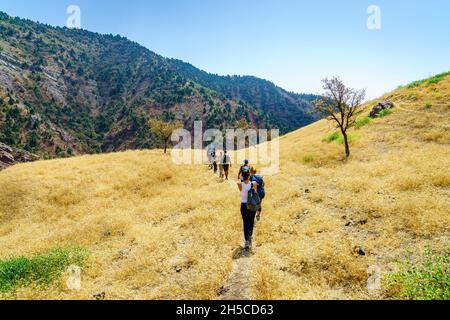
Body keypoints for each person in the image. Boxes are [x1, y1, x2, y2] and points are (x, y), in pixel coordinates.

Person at [237, 170, 258, 249]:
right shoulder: (254, 183)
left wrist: (241, 177)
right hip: (252, 204)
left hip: (244, 205)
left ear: (242, 176)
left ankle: (246, 241)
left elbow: (239, 182)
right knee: (252, 220)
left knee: (245, 222)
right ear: (249, 176)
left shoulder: (239, 184)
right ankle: (250, 235)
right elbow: (255, 193)